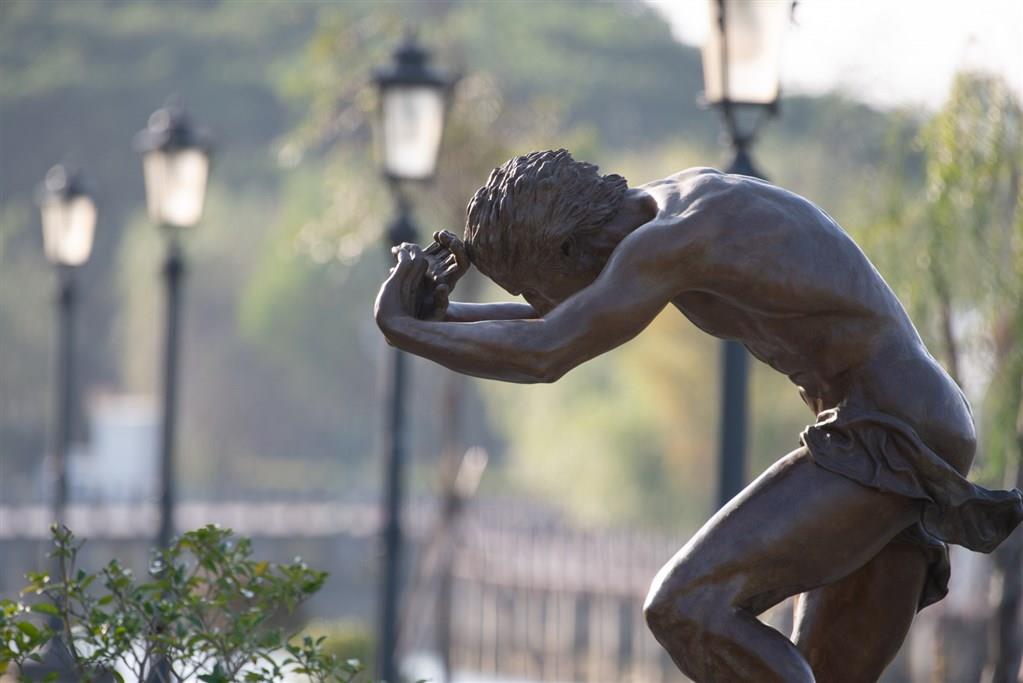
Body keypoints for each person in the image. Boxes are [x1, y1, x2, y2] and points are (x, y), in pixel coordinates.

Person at [373, 149, 1023, 682]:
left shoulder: (677, 238)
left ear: (568, 250)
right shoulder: (667, 216)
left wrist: (403, 328)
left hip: (887, 429)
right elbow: (559, 318)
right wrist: (441, 319)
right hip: (906, 423)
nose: (538, 300)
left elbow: (548, 349)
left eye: (534, 284)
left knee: (687, 604)